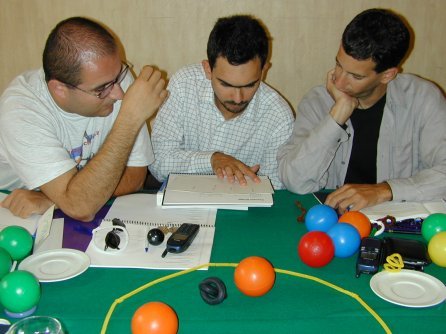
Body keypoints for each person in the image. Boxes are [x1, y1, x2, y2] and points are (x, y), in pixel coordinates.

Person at [278, 8, 446, 213]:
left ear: (387, 75)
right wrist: (336, 117)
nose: (338, 81)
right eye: (338, 65)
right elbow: (294, 180)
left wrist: (384, 191)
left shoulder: (422, 99)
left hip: (395, 221)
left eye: (355, 77)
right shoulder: (318, 100)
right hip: (332, 222)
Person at [0, 17, 167, 221]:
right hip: (14, 213)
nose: (119, 94)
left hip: (59, 206)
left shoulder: (113, 79)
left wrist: (56, 200)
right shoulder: (22, 109)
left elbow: (135, 177)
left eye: (118, 76)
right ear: (60, 90)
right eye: (101, 89)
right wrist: (129, 119)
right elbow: (81, 208)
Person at [149, 14, 294, 189]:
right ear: (208, 69)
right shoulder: (184, 84)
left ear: (264, 70)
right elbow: (158, 164)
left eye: (250, 85)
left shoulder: (279, 116)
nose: (238, 98)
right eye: (226, 84)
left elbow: (275, 187)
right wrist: (213, 160)